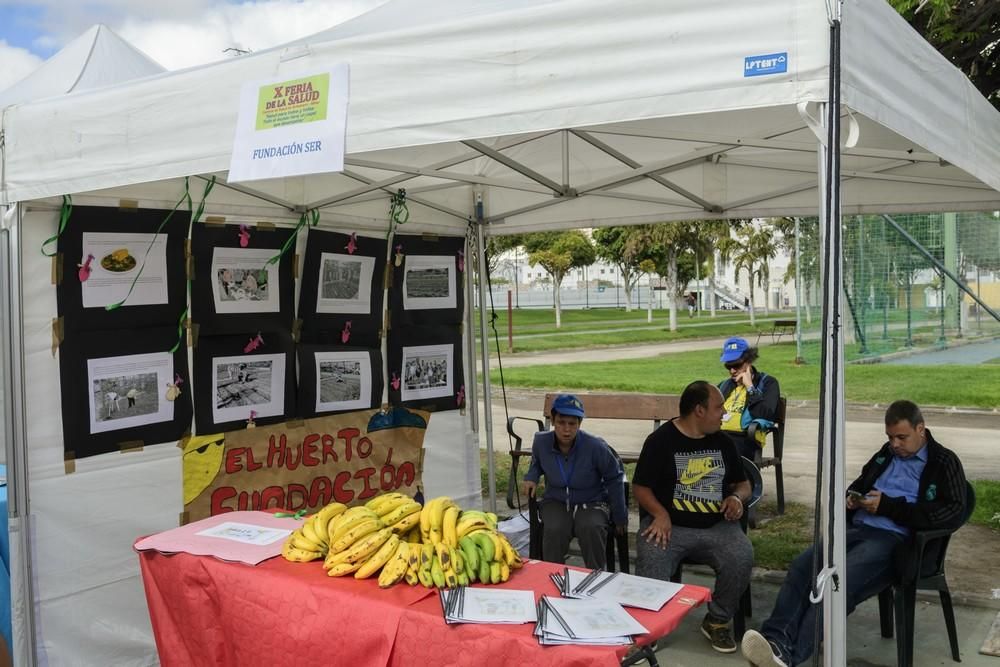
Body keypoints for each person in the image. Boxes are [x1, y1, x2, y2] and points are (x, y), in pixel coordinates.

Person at [741, 400, 968, 667]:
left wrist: (889, 507)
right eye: (890, 437)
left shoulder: (943, 461)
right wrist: (852, 498)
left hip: (896, 540)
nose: (895, 444)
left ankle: (790, 656)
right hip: (858, 527)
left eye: (902, 437)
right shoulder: (887, 453)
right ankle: (775, 641)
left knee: (838, 581)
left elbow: (953, 511)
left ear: (921, 429)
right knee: (805, 565)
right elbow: (860, 483)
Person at [632, 381, 753, 653]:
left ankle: (717, 620)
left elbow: (743, 484)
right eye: (718, 407)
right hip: (671, 526)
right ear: (699, 410)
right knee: (651, 553)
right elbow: (640, 487)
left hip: (716, 526)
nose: (724, 413)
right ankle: (649, 628)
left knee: (741, 555)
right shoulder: (660, 441)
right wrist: (659, 514)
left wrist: (736, 498)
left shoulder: (723, 442)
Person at [521, 394, 627, 570]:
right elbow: (537, 462)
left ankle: (595, 577)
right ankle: (552, 575)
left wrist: (620, 516)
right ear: (553, 420)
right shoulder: (541, 442)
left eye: (572, 424)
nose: (567, 429)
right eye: (561, 422)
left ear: (580, 424)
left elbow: (614, 477)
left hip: (592, 500)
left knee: (591, 527)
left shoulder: (595, 446)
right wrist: (531, 476)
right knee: (555, 529)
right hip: (556, 499)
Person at [717, 337, 780, 461]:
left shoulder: (768, 383)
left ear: (749, 361)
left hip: (745, 438)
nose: (732, 371)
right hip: (718, 436)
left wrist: (750, 388)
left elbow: (765, 414)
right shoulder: (724, 385)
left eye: (736, 365)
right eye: (728, 366)